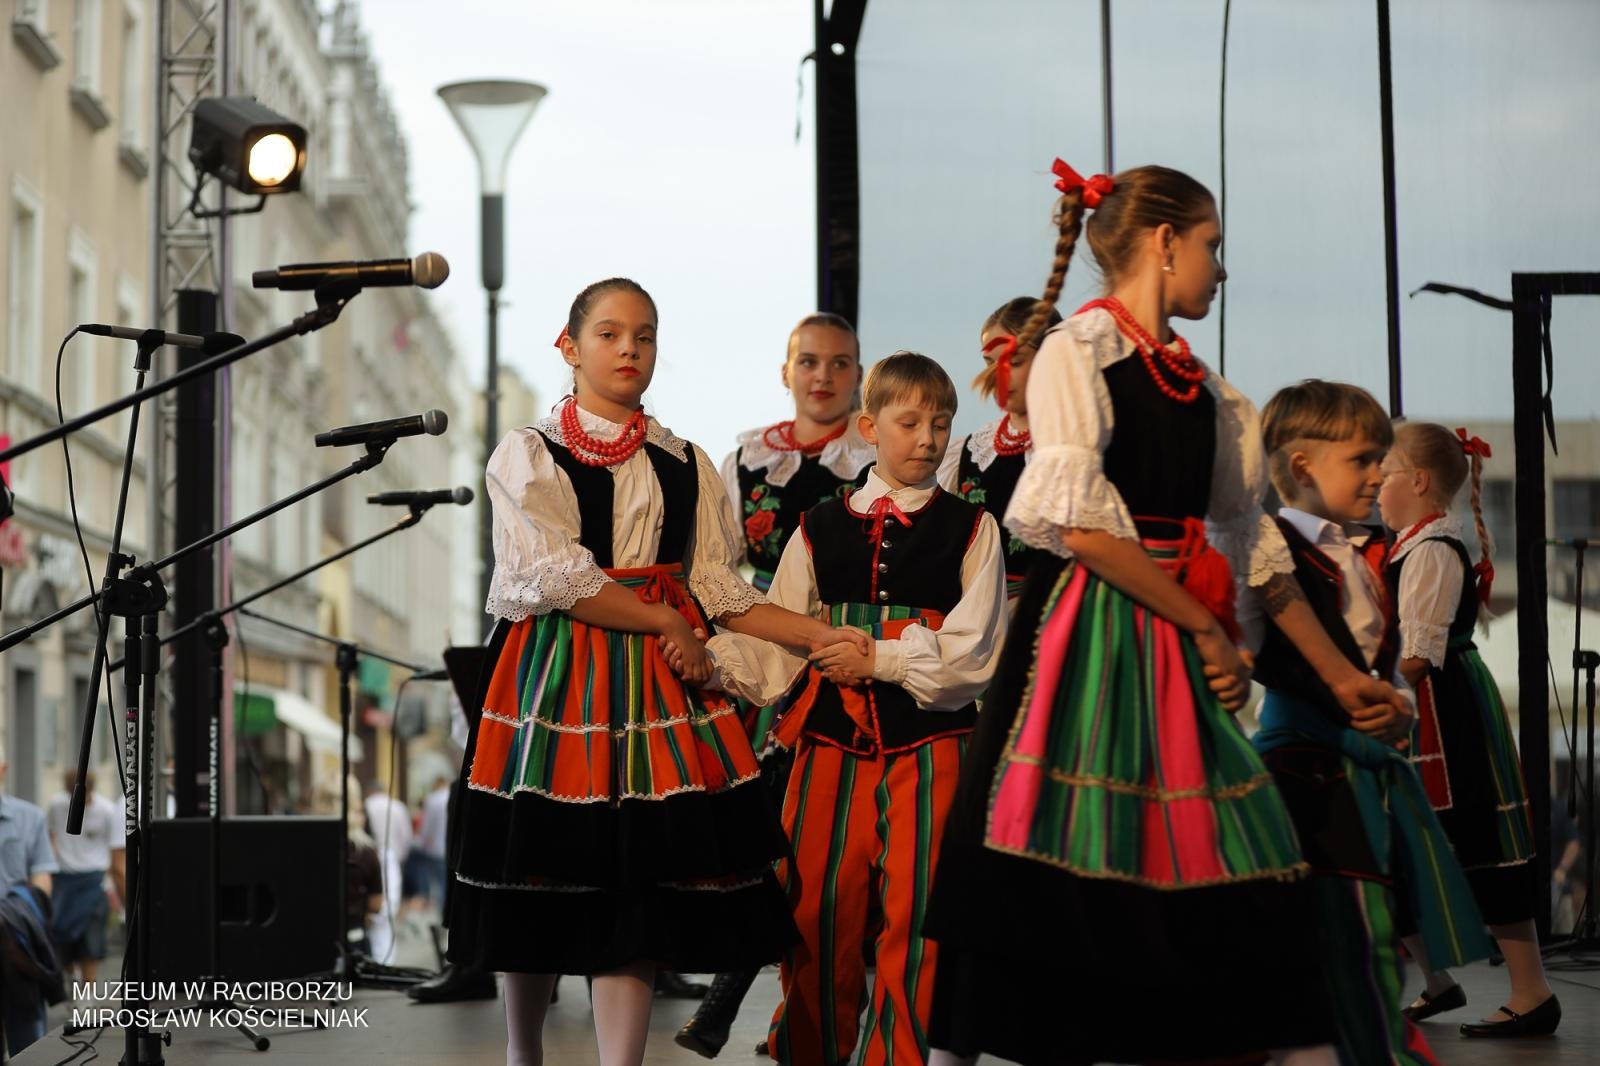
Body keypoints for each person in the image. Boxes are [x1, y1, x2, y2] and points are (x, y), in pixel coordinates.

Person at [922, 161, 1401, 1066]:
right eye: (1212, 246)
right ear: (1164, 240)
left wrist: (1341, 675)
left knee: (1229, 850)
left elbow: (1252, 543)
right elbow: (1085, 530)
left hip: (1174, 639)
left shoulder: (1211, 392)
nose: (1219, 269)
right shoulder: (1078, 351)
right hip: (1091, 639)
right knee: (1037, 862)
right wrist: (1204, 626)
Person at [447, 277, 867, 1066]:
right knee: (537, 872)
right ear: (569, 349)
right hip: (559, 682)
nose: (629, 349)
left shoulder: (685, 463)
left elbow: (718, 588)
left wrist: (816, 633)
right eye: (609, 334)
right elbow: (558, 576)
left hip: (656, 696)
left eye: (643, 335)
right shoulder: (531, 452)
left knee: (635, 887)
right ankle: (521, 1053)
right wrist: (665, 618)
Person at [710, 351, 1007, 1066]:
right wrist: (711, 663)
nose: (929, 439)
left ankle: (899, 1058)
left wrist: (881, 657)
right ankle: (812, 1049)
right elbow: (779, 631)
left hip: (933, 748)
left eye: (941, 424)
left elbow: (974, 655)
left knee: (919, 913)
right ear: (871, 427)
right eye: (909, 423)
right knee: (813, 909)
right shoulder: (817, 526)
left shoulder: (972, 529)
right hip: (828, 743)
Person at [1249, 382, 1493, 1063]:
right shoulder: (1266, 554)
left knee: (1364, 942)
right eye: (1362, 460)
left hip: (1359, 775)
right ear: (1302, 465)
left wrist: (1393, 705)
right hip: (1303, 777)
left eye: (1381, 460)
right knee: (1331, 946)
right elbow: (1236, 656)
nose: (1376, 474)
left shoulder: (1359, 555)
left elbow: (1384, 663)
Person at [675, 312, 876, 1058]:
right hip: (761, 652)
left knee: (820, 846)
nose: (823, 376)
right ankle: (768, 1008)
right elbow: (714, 562)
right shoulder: (748, 457)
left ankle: (766, 1007)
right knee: (761, 832)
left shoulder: (875, 456)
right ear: (785, 372)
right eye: (810, 362)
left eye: (840, 363)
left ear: (860, 374)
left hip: (838, 655)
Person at [1377, 420, 1559, 1037]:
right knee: (1393, 841)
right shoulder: (1409, 544)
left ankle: (1532, 992)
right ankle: (1437, 980)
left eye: (1386, 471)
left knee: (1480, 839)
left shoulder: (1431, 550)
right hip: (1422, 702)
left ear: (1419, 480)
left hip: (1442, 709)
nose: (1377, 482)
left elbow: (1420, 654)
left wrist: (1365, 694)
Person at [938, 296, 1061, 600]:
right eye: (990, 363)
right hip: (978, 622)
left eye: (1013, 361)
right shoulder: (970, 451)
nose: (996, 377)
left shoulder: (1075, 447)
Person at [0, 743, 60, 1055]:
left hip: (16, 948)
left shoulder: (30, 817)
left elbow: (42, 876)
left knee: (30, 1045)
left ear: (3, 770)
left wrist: (24, 916)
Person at [46, 770, 125, 990]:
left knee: (91, 943)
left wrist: (110, 881)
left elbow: (114, 849)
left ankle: (87, 994)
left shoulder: (106, 810)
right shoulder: (56, 806)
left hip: (93, 881)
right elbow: (52, 838)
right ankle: (74, 978)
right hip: (64, 879)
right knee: (60, 939)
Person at [363, 779, 411, 963]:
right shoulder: (397, 806)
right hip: (392, 859)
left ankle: (374, 955)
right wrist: (401, 858)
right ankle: (385, 958)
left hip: (369, 858)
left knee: (374, 910)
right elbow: (405, 836)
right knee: (388, 908)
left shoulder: (367, 804)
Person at [415, 775, 450, 912]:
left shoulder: (433, 799)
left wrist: (423, 843)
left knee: (439, 886)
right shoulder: (455, 796)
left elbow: (426, 828)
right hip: (452, 850)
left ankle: (443, 915)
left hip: (436, 850)